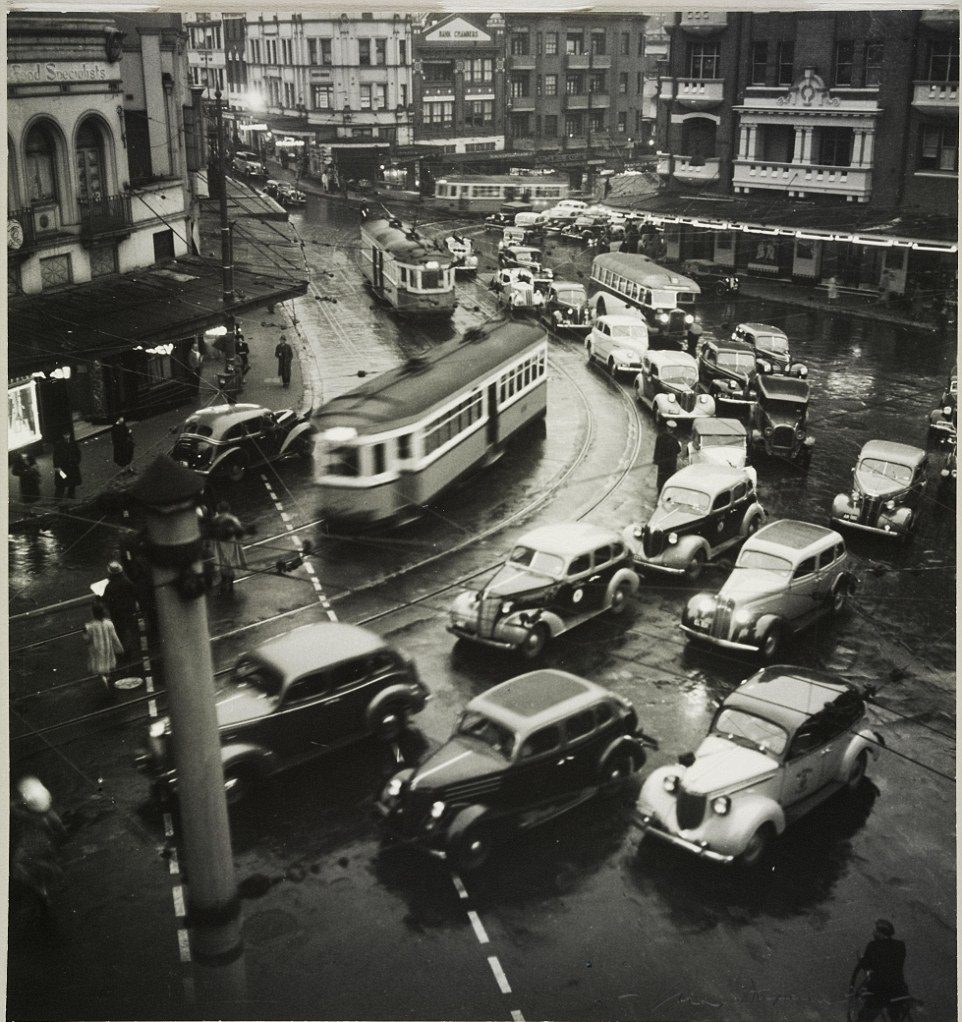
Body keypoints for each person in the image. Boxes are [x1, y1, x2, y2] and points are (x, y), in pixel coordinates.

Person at [850, 919, 910, 1021]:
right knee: (895, 1014)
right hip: (899, 987)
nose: (873, 932)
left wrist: (863, 960)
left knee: (864, 1017)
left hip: (879, 990)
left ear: (881, 933)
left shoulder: (873, 945)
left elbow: (865, 965)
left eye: (875, 931)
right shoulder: (900, 945)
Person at [102, 561, 140, 664]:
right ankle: (129, 652)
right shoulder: (127, 582)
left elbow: (105, 599)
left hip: (116, 613)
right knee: (129, 629)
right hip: (128, 610)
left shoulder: (109, 586)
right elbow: (135, 593)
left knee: (120, 631)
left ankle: (122, 653)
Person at [83, 599, 123, 694]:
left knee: (100, 669)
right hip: (108, 650)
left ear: (93, 613)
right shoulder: (109, 623)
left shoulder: (90, 626)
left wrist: (84, 633)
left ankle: (104, 682)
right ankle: (108, 679)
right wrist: (119, 648)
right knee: (108, 667)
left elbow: (87, 639)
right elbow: (114, 637)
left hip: (97, 651)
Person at [212, 501, 247, 596]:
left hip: (221, 545)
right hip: (231, 544)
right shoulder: (232, 519)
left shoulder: (216, 519)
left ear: (219, 510)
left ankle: (225, 582)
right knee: (231, 562)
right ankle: (230, 585)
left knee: (223, 562)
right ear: (228, 509)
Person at [653, 420, 682, 494]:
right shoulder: (674, 440)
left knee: (661, 479)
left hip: (662, 464)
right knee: (669, 479)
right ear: (673, 429)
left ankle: (659, 492)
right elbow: (678, 450)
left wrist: (656, 460)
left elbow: (657, 449)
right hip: (671, 465)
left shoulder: (660, 437)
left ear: (667, 428)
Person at [52, 431, 82, 499]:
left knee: (71, 482)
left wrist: (76, 462)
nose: (67, 436)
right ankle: (59, 498)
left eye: (68, 435)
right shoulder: (59, 445)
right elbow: (55, 457)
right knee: (61, 484)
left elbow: (78, 454)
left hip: (71, 467)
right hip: (63, 468)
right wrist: (57, 467)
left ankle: (70, 496)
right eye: (65, 435)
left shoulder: (72, 443)